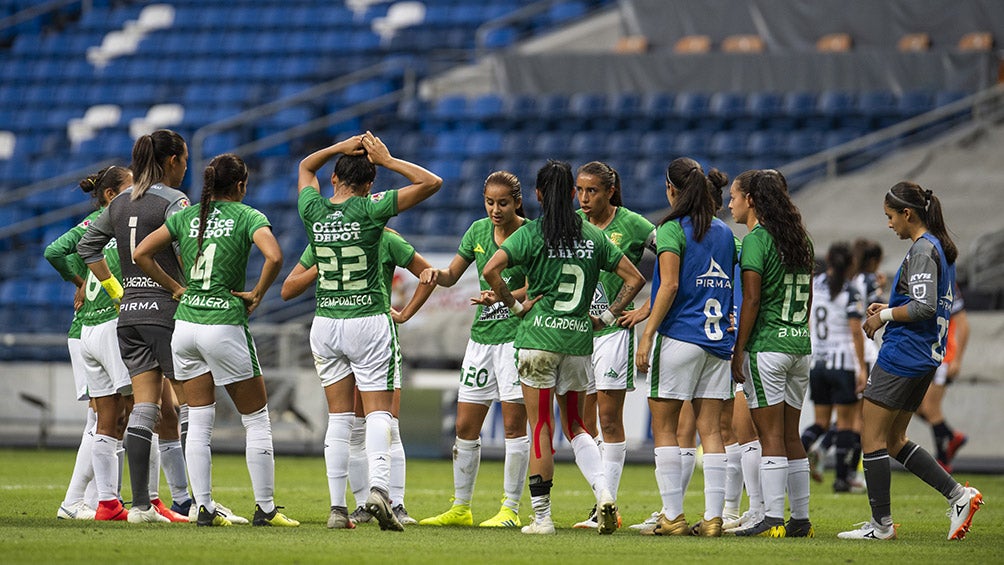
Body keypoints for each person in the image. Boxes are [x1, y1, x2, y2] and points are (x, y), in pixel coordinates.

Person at [133, 153, 298, 527]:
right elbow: (274, 255)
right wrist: (257, 293)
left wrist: (177, 288)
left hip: (186, 324)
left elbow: (141, 252)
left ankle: (203, 508)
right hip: (223, 322)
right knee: (256, 420)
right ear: (240, 185)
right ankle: (266, 509)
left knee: (199, 421)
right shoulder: (248, 216)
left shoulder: (186, 216)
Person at [482, 160, 645, 535]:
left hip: (537, 341)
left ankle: (541, 518)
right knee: (576, 426)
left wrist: (516, 305)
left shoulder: (532, 234)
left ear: (537, 195)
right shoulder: (592, 235)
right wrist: (605, 318)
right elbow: (635, 279)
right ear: (573, 193)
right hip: (577, 342)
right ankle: (604, 492)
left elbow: (492, 270)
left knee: (540, 424)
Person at [298, 132, 441, 531]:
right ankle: (381, 491)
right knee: (379, 412)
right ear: (370, 184)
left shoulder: (313, 209)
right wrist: (390, 158)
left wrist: (336, 147)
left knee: (341, 420)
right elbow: (431, 183)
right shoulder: (373, 209)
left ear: (334, 180)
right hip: (367, 319)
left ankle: (337, 510)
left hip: (325, 322)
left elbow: (305, 166)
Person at [838, 182, 983, 541]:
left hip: (903, 354)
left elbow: (924, 306)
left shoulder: (922, 249)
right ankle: (958, 495)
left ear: (907, 213)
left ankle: (881, 526)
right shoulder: (939, 247)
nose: (889, 225)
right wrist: (886, 307)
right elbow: (923, 301)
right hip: (925, 357)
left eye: (890, 217)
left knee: (870, 437)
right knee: (894, 440)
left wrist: (883, 316)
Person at [77, 129, 197, 524]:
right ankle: (200, 502)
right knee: (195, 409)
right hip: (167, 314)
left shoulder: (119, 203)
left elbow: (85, 247)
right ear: (171, 161)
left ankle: (142, 506)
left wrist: (115, 287)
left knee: (146, 410)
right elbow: (188, 251)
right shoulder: (174, 200)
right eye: (183, 159)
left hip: (129, 316)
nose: (186, 166)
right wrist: (182, 285)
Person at [281, 225, 436, 526]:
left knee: (362, 424)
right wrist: (404, 315)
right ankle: (373, 502)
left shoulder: (334, 236)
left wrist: (404, 314)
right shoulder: (385, 237)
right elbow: (429, 274)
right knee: (379, 422)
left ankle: (381, 504)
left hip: (335, 328)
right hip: (371, 330)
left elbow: (287, 289)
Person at [418, 171, 531, 528]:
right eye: (490, 202)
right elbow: (453, 275)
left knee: (514, 425)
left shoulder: (531, 234)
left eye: (503, 203)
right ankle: (461, 507)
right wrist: (434, 273)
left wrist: (505, 296)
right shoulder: (477, 231)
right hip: (481, 339)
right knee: (466, 425)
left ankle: (510, 509)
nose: (495, 210)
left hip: (517, 337)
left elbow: (540, 284)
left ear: (517, 202)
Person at [635, 158, 735, 537]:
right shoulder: (726, 233)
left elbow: (670, 285)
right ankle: (713, 519)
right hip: (717, 343)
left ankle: (672, 516)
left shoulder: (672, 230)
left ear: (671, 189)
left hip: (680, 337)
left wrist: (647, 333)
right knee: (711, 431)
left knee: (666, 428)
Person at [728, 169, 815, 538]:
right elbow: (808, 299)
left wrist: (739, 350)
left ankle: (772, 519)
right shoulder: (802, 240)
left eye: (735, 196)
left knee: (770, 438)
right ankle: (801, 520)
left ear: (752, 200)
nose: (731, 203)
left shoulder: (756, 240)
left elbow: (751, 299)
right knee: (791, 434)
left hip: (768, 347)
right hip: (798, 344)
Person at [45, 167, 133, 521]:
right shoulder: (104, 221)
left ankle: (97, 499)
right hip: (93, 327)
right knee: (104, 419)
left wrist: (80, 280)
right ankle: (76, 500)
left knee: (107, 419)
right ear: (111, 195)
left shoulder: (98, 224)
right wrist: (82, 280)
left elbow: (57, 252)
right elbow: (53, 251)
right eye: (129, 187)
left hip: (87, 329)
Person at [571, 161, 655, 530]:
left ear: (610, 192)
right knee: (584, 424)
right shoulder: (573, 224)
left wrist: (648, 309)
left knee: (608, 420)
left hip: (613, 332)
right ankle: (600, 500)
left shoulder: (635, 225)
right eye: (580, 190)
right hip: (576, 334)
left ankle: (608, 508)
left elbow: (674, 261)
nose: (584, 198)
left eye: (592, 191)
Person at [799, 242, 868, 494]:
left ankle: (790, 460)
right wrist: (862, 368)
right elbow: (855, 332)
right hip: (842, 364)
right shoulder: (851, 291)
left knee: (820, 423)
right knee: (848, 423)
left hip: (817, 362)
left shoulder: (814, 285)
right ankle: (841, 479)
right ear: (851, 264)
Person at [916, 284, 969, 472]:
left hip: (944, 356)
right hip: (926, 354)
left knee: (930, 408)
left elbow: (963, 325)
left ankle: (942, 458)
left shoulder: (948, 285)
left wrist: (957, 360)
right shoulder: (923, 281)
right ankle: (951, 437)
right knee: (916, 406)